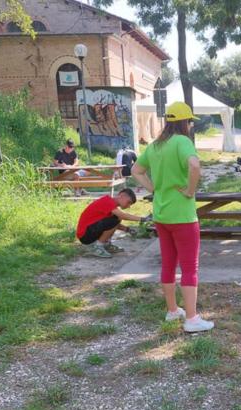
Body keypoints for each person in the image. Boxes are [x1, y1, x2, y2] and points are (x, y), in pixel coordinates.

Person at [131, 101, 214, 332]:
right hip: (183, 216)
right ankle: (192, 319)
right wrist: (190, 190)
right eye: (189, 122)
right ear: (184, 122)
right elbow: (195, 166)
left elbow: (136, 170)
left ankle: (172, 310)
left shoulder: (156, 145)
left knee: (168, 263)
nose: (190, 126)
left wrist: (154, 189)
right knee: (190, 267)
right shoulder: (182, 142)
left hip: (161, 214)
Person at [76, 188, 148, 257]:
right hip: (85, 235)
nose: (128, 206)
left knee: (116, 219)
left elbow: (111, 225)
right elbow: (122, 216)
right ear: (121, 195)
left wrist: (127, 229)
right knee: (117, 219)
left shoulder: (111, 205)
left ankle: (106, 244)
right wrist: (144, 219)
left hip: (88, 232)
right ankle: (98, 247)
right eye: (128, 202)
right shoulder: (108, 200)